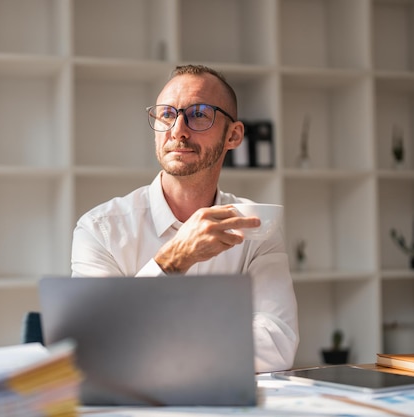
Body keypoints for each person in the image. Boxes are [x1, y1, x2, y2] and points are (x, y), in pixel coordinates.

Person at [71, 64, 299, 372]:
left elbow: (278, 345)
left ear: (233, 135)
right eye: (167, 114)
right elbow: (97, 345)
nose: (178, 129)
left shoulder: (257, 227)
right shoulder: (100, 229)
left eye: (199, 113)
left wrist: (149, 340)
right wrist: (171, 261)